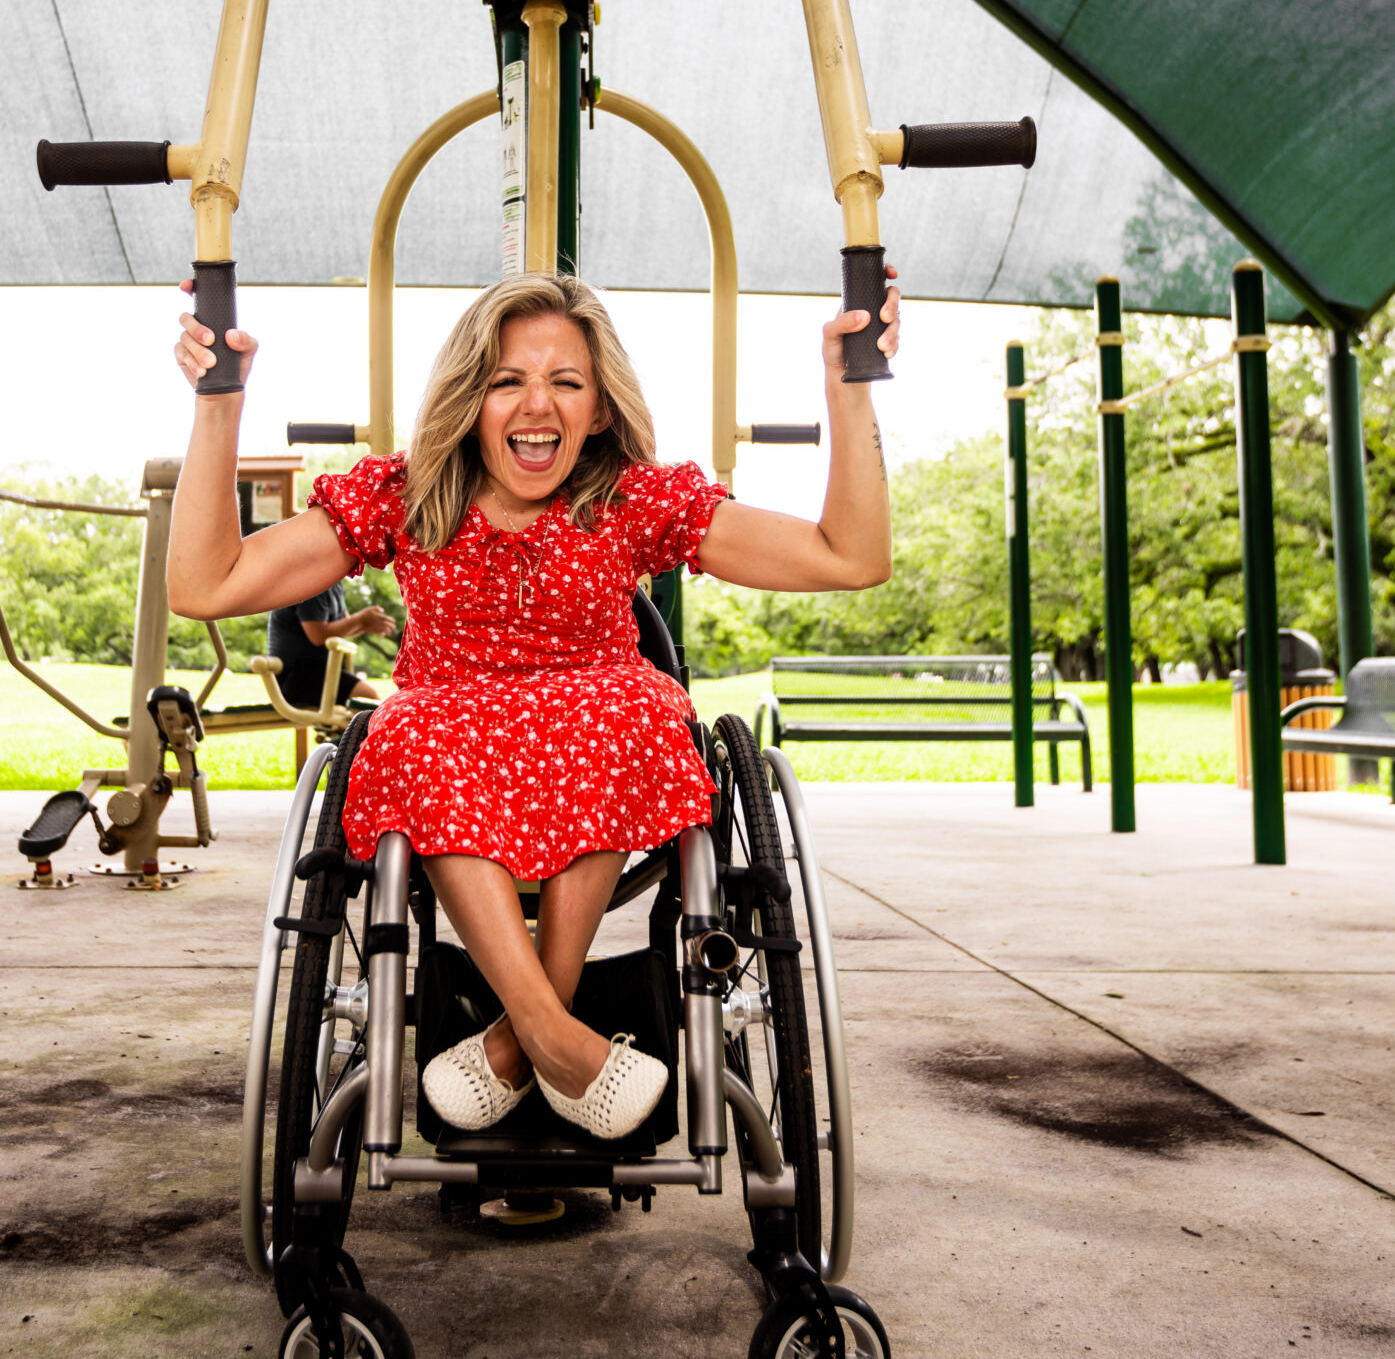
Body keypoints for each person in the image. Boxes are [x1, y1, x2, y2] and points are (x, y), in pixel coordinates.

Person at [168, 269, 898, 1140]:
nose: (535, 405)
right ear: (470, 397)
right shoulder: (404, 495)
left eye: (566, 381)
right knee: (408, 727)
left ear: (598, 407)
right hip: (451, 745)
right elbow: (204, 582)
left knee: (636, 704)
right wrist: (218, 406)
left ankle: (515, 1048)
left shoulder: (632, 497)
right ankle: (560, 1043)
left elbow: (849, 556)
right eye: (507, 380)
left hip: (599, 734)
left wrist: (848, 388)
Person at [266, 578, 393, 706]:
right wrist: (360, 620)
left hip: (314, 672)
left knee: (363, 705)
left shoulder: (333, 584)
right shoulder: (310, 583)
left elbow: (339, 628)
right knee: (367, 698)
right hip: (297, 678)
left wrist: (363, 625)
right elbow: (318, 635)